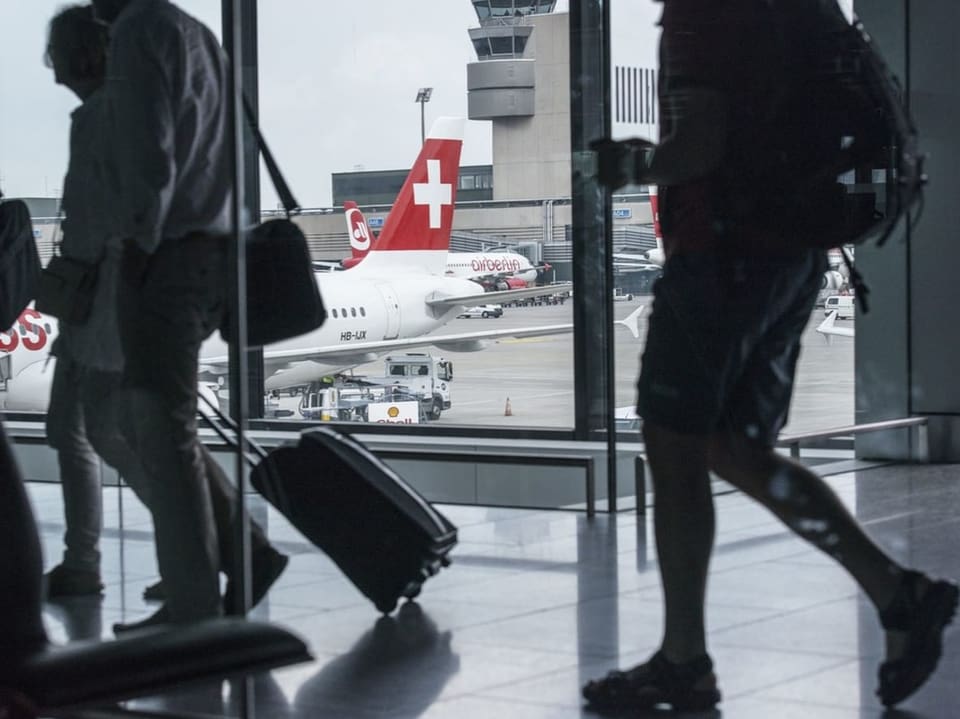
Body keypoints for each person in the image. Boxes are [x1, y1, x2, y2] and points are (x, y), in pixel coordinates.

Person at [583, 0, 957, 712]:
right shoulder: (789, 10)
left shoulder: (704, 14)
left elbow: (701, 146)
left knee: (675, 442)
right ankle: (897, 592)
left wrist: (628, 162)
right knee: (735, 446)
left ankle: (684, 660)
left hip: (723, 260)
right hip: (792, 257)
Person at [90, 0, 287, 630]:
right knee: (156, 418)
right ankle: (247, 555)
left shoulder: (136, 34)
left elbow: (151, 159)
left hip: (168, 254)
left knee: (157, 426)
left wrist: (138, 249)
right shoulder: (195, 31)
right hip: (213, 249)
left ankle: (194, 603)